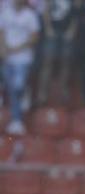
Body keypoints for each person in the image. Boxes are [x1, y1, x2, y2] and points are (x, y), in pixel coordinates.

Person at [0, 0, 40, 134]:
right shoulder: (6, 13)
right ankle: (16, 119)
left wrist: (17, 48)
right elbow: (2, 32)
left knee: (18, 86)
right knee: (11, 88)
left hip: (23, 58)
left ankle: (18, 114)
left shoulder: (30, 15)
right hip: (7, 57)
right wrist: (3, 49)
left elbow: (34, 37)